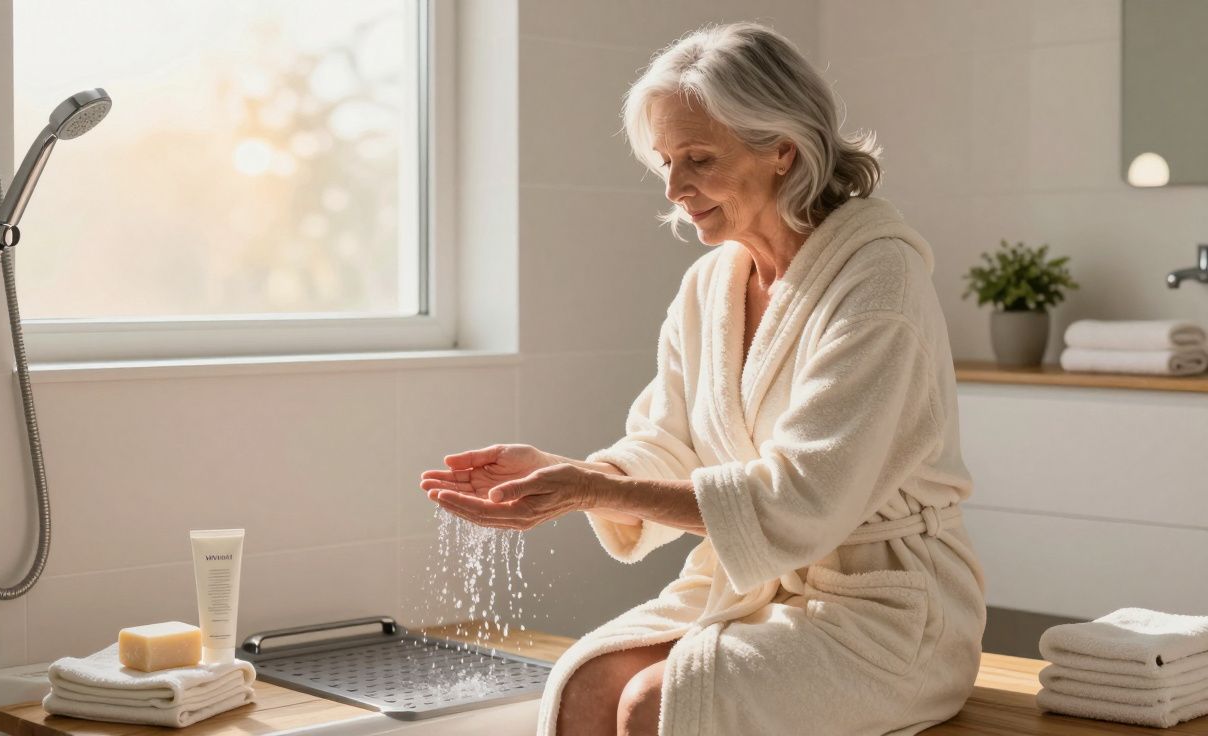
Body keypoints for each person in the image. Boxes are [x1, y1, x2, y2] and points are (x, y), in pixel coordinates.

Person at [421, 21, 987, 736]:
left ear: (783, 148)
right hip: (754, 584)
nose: (675, 187)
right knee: (586, 687)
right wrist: (569, 474)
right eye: (664, 160)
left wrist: (590, 490)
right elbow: (668, 442)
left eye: (698, 158)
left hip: (887, 610)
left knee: (658, 702)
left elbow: (807, 497)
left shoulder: (879, 281)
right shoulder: (712, 284)